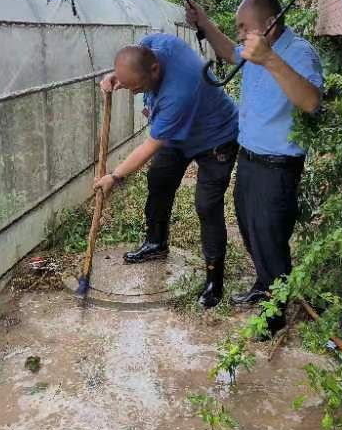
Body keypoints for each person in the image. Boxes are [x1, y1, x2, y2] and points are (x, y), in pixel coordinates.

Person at [186, 0, 323, 336]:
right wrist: (203, 21)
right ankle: (263, 285)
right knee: (250, 229)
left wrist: (270, 59)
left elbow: (311, 103)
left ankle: (274, 315)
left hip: (277, 166)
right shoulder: (250, 51)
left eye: (244, 27)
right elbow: (227, 51)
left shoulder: (299, 52)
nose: (239, 33)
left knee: (270, 239)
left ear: (269, 24)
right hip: (248, 158)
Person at [95, 33, 239, 308]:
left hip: (215, 137)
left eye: (136, 87)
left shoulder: (178, 94)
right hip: (178, 136)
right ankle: (156, 243)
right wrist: (119, 78)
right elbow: (137, 57)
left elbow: (148, 147)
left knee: (207, 206)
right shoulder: (158, 45)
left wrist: (114, 176)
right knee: (159, 179)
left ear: (155, 70)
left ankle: (214, 280)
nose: (135, 92)